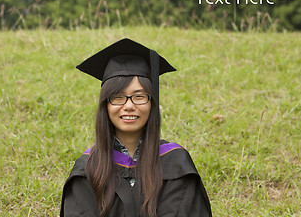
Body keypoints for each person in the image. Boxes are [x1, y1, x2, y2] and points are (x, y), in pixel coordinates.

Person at [60, 38, 212, 217]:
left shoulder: (176, 165)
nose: (129, 106)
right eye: (117, 97)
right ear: (106, 106)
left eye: (139, 96)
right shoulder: (87, 170)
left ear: (152, 103)